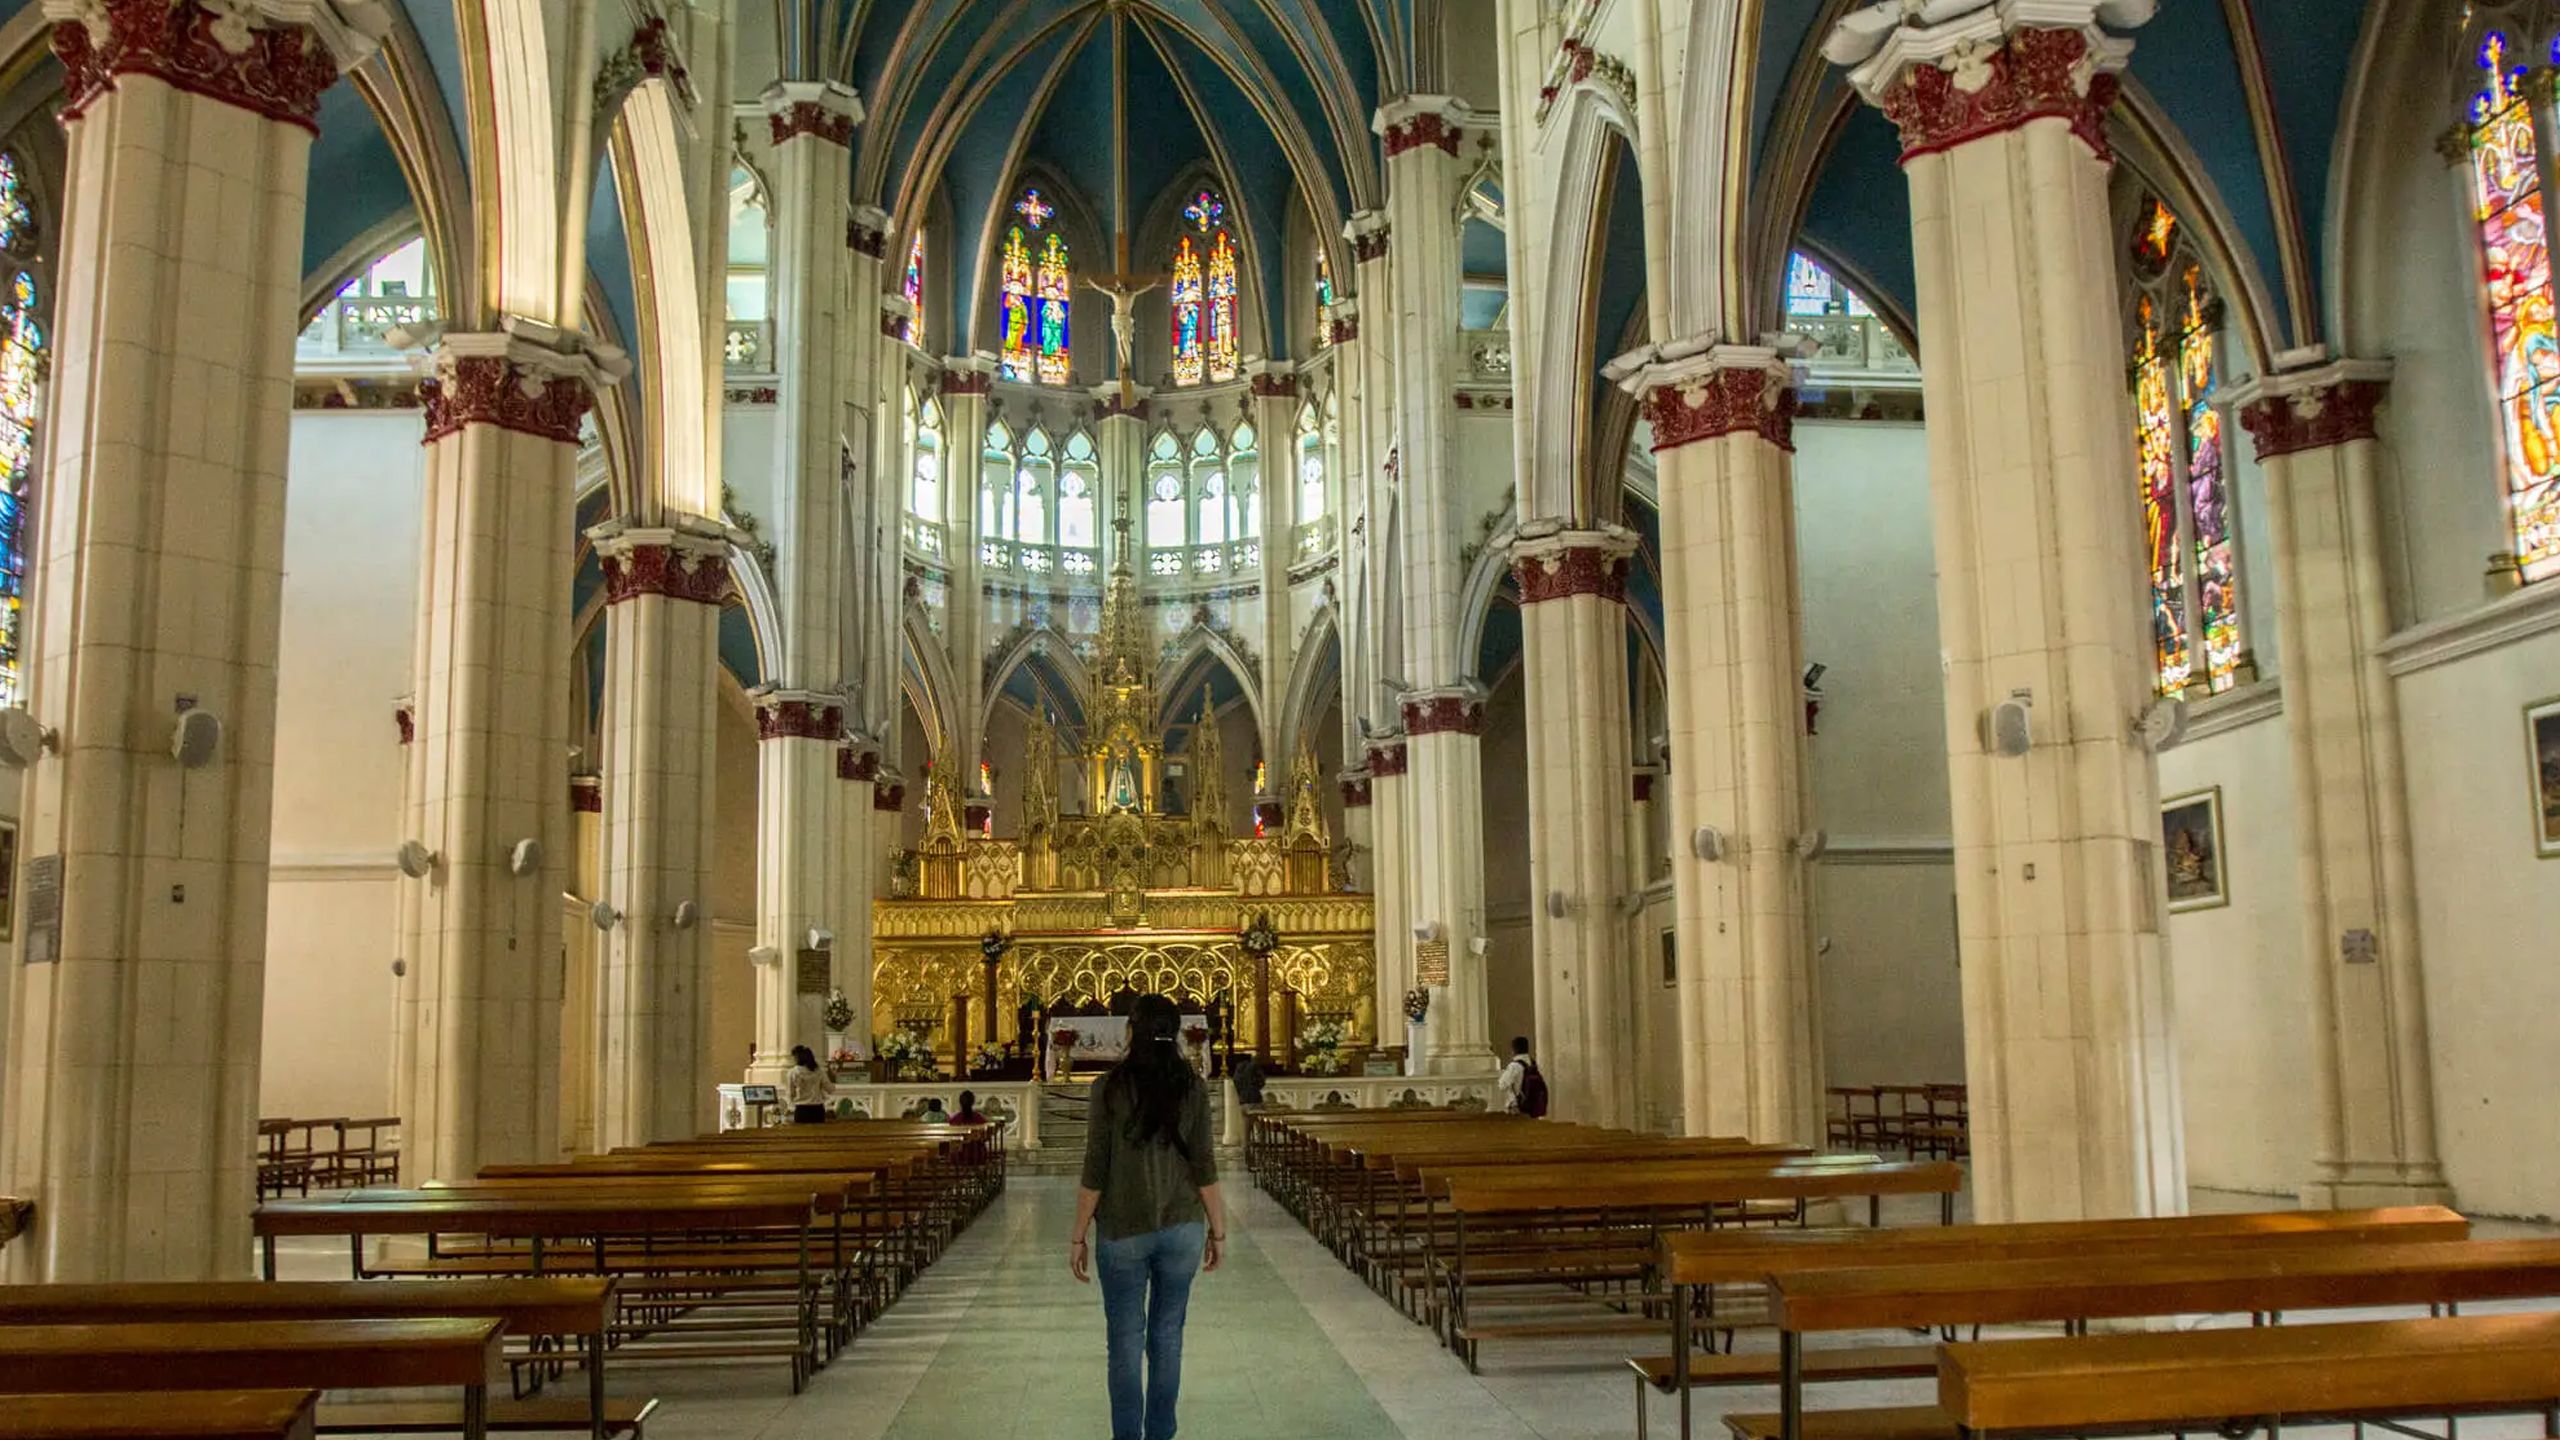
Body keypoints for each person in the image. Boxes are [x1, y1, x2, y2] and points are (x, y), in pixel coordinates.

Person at [1071, 993, 1225, 1440]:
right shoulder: (1192, 1087)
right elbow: (1204, 1164)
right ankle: (1161, 1433)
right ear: (1176, 1034)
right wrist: (1218, 1230)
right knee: (1168, 1335)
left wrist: (1078, 1235)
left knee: (1124, 1341)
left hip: (1122, 1228)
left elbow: (1095, 1167)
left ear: (1131, 1031)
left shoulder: (1109, 1088)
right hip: (1183, 1226)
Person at [1496, 1035, 1548, 1117]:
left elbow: (1502, 1085)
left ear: (1513, 1049)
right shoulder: (1534, 1064)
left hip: (1520, 1107)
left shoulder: (1514, 1066)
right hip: (1534, 1107)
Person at [786, 1045, 827, 1124]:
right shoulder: (819, 1071)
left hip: (802, 1109)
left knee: (802, 1131)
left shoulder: (793, 1072)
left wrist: (790, 1105)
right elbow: (829, 1088)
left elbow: (791, 1093)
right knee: (819, 1131)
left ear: (796, 1058)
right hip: (818, 1109)